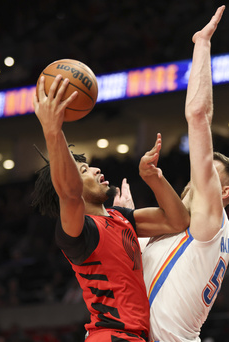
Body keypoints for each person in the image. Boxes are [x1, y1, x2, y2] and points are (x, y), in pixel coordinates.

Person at [32, 73, 190, 341]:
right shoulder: (78, 231)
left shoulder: (121, 219)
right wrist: (52, 130)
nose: (95, 169)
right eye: (83, 170)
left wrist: (154, 178)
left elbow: (178, 221)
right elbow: (69, 193)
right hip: (111, 336)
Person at [141, 6, 229, 342]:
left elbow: (198, 114)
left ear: (223, 193)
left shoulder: (211, 221)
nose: (197, 177)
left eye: (211, 176)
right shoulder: (184, 229)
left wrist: (202, 44)